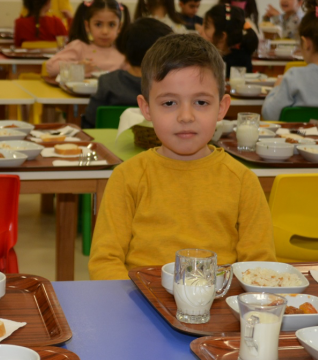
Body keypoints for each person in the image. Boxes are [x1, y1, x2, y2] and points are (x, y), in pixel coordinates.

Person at [88, 34, 277, 280]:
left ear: (221, 107)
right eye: (169, 103)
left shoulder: (243, 181)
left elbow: (259, 268)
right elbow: (105, 261)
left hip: (218, 308)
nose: (185, 116)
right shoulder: (127, 177)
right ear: (146, 109)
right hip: (140, 305)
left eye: (200, 102)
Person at [83, 18, 172, 128]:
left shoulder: (108, 82)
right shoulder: (170, 86)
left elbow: (90, 121)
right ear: (165, 55)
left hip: (109, 143)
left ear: (125, 50)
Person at [262, 0, 318, 120]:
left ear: (306, 43)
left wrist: (277, 88)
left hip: (296, 137)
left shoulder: (294, 76)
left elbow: (269, 114)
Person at [45, 0, 130, 77]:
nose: (105, 31)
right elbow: (50, 67)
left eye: (111, 25)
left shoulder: (123, 52)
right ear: (87, 26)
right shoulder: (79, 46)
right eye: (98, 24)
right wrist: (78, 67)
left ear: (119, 27)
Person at [201, 4, 259, 78]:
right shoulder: (200, 57)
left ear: (222, 36)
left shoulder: (240, 61)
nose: (200, 30)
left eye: (206, 26)